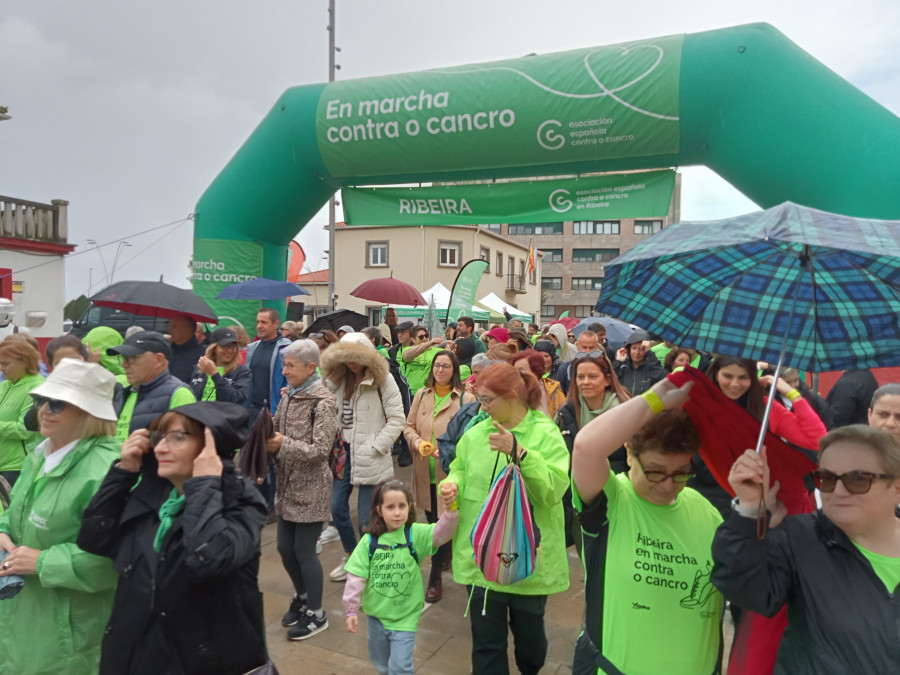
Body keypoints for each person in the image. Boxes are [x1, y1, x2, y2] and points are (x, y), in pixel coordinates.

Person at [77, 401, 269, 674]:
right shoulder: (153, 494)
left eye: (177, 437)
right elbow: (94, 540)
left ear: (209, 447)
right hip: (137, 655)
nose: (161, 448)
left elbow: (208, 562)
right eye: (159, 437)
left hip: (198, 662)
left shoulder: (241, 502)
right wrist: (123, 472)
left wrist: (204, 485)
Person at [711, 425, 900, 674]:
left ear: (896, 487)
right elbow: (744, 587)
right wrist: (748, 509)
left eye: (858, 479)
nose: (838, 491)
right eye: (828, 479)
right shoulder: (800, 538)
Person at [571, 377, 725, 674]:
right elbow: (585, 447)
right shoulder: (611, 501)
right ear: (629, 453)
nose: (669, 485)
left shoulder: (706, 511)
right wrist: (654, 400)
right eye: (655, 472)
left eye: (681, 473)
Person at [442, 363, 570, 675]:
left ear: (512, 396)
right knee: (487, 644)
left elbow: (553, 490)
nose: (481, 408)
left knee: (531, 645)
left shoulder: (545, 433)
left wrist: (521, 453)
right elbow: (460, 464)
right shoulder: (477, 432)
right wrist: (453, 483)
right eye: (480, 399)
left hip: (527, 562)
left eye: (487, 400)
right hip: (483, 560)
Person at [0, 360, 120, 674]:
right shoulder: (41, 454)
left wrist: (42, 562)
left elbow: (119, 559)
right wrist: (2, 532)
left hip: (69, 627)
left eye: (58, 403)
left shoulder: (110, 470)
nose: (45, 409)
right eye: (41, 400)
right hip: (21, 614)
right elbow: (16, 513)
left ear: (90, 412)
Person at [343, 480, 458, 675]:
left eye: (402, 506)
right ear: (379, 510)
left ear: (409, 507)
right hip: (376, 617)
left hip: (406, 616)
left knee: (400, 667)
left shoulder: (415, 534)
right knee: (382, 666)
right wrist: (351, 609)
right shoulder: (369, 542)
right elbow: (356, 576)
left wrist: (451, 510)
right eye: (390, 507)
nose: (397, 512)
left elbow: (442, 533)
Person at [266, 339, 339, 640]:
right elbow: (275, 426)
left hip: (311, 488)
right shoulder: (289, 397)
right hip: (286, 485)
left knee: (304, 552)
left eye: (289, 366)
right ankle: (302, 596)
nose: (284, 371)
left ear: (311, 368)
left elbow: (320, 450)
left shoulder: (324, 402)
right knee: (284, 548)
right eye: (284, 365)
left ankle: (317, 614)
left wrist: (282, 444)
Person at [321, 333, 405, 583]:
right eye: (347, 358)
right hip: (341, 453)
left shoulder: (383, 380)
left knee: (368, 518)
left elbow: (397, 419)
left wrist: (376, 446)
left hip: (370, 455)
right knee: (337, 509)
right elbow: (324, 407)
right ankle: (352, 555)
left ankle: (368, 562)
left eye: (356, 358)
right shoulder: (335, 380)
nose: (352, 363)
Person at [403, 349, 474, 602]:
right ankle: (444, 557)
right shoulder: (422, 394)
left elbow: (470, 439)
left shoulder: (466, 398)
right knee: (432, 520)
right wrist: (416, 443)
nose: (440, 370)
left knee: (444, 522)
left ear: (454, 370)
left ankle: (434, 576)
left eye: (445, 366)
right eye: (437, 366)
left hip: (449, 473)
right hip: (424, 472)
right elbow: (408, 426)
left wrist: (447, 451)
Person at [557, 351, 633, 549]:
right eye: (580, 377)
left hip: (619, 503)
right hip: (579, 505)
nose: (585, 382)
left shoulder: (627, 412)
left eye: (593, 376)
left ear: (607, 379)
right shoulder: (567, 412)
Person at [107, 331, 196, 442]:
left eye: (131, 358)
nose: (123, 364)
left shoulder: (179, 393)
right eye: (123, 358)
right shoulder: (126, 393)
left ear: (158, 360)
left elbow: (186, 444)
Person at [0, 339, 44, 486]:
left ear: (25, 362)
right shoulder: (5, 385)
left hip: (19, 465)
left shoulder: (36, 386)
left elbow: (25, 429)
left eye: (6, 364)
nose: (1, 368)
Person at [245, 308, 292, 425]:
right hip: (252, 411)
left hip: (276, 412)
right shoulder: (252, 348)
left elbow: (292, 381)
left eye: (264, 322)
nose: (259, 326)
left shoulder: (287, 348)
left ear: (276, 324)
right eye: (258, 322)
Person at [188, 326, 251, 404]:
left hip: (225, 415)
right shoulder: (201, 368)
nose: (230, 350)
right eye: (225, 346)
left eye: (233, 346)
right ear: (214, 348)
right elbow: (191, 396)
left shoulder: (242, 372)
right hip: (198, 414)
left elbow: (235, 399)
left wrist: (215, 374)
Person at [512, 349, 565, 418]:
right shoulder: (510, 393)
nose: (516, 375)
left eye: (521, 371)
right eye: (514, 370)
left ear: (536, 372)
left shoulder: (554, 391)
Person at [613, 331, 667, 395]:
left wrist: (650, 353)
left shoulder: (652, 367)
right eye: (634, 348)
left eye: (641, 349)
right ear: (629, 349)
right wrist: (618, 362)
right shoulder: (622, 367)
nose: (637, 352)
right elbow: (609, 381)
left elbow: (662, 378)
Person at [400, 327, 444, 396]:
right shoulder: (407, 350)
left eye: (426, 336)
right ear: (413, 339)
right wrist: (428, 344)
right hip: (412, 393)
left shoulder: (438, 351)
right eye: (421, 337)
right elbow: (407, 357)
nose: (424, 339)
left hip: (431, 392)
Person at [555, 329, 601, 394]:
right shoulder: (565, 369)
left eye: (591, 348)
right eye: (584, 347)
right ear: (577, 345)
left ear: (597, 347)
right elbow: (559, 395)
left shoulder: (603, 368)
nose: (587, 351)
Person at [167, 314, 206, 384]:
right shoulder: (166, 351)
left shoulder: (202, 357)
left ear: (187, 331)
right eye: (170, 326)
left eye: (174, 327)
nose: (170, 330)